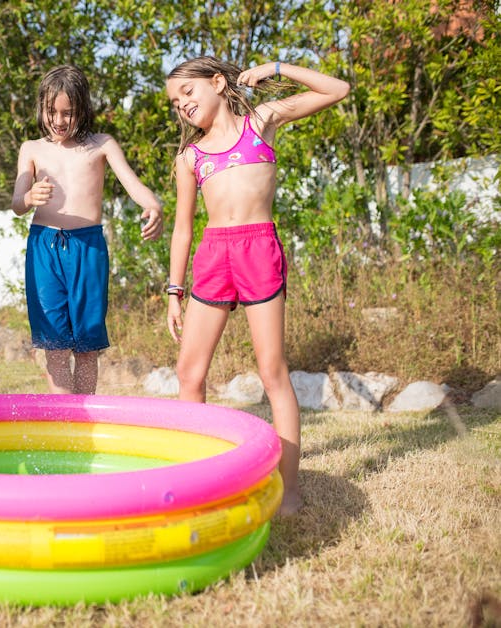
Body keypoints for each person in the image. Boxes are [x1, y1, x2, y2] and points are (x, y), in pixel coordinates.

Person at [165, 57, 350, 515]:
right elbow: (183, 229)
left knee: (272, 372)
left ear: (217, 82)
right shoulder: (189, 158)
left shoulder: (261, 122)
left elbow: (337, 89)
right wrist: (173, 291)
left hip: (257, 249)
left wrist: (277, 68)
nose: (182, 106)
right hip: (213, 256)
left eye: (187, 93)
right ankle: (200, 481)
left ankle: (289, 490)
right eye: (174, 102)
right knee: (189, 374)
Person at [11, 65, 163, 394]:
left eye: (68, 112)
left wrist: (153, 206)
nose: (59, 120)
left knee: (87, 346)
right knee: (54, 345)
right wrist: (28, 196)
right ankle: (65, 421)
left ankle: (83, 417)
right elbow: (16, 203)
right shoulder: (32, 149)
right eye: (52, 111)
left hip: (88, 249)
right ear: (41, 108)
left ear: (83, 109)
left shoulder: (101, 145)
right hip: (45, 248)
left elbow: (133, 184)